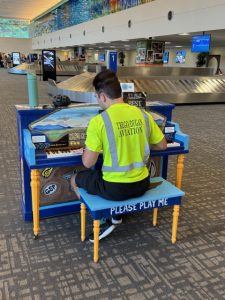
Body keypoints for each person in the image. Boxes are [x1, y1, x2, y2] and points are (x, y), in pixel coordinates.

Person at [70, 70, 167, 242]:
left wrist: (88, 148)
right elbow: (162, 145)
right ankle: (116, 215)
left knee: (75, 179)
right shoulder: (143, 114)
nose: (98, 101)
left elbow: (87, 162)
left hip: (115, 189)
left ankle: (103, 218)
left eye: (97, 98)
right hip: (142, 183)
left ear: (102, 96)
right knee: (100, 177)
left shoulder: (99, 121)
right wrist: (139, 142)